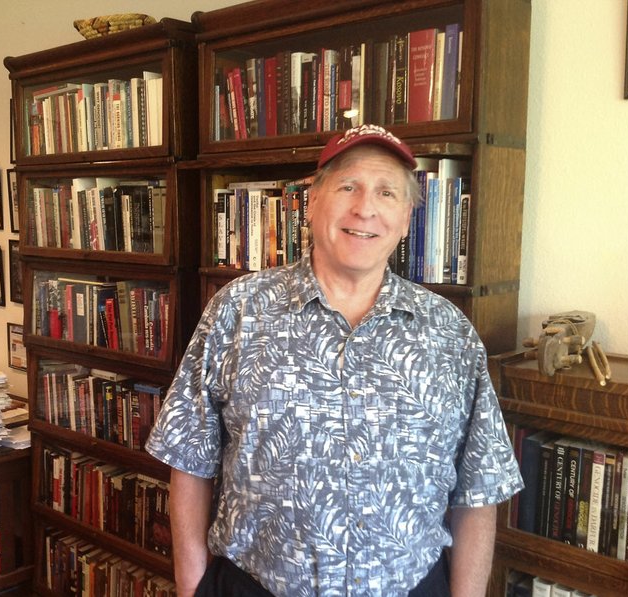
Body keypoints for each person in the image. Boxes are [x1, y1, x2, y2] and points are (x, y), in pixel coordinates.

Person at [145, 123, 523, 597]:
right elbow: (188, 459)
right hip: (253, 585)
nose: (365, 207)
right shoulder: (238, 310)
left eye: (386, 192)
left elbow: (478, 491)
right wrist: (191, 587)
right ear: (313, 201)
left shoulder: (450, 334)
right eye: (348, 186)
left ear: (406, 218)